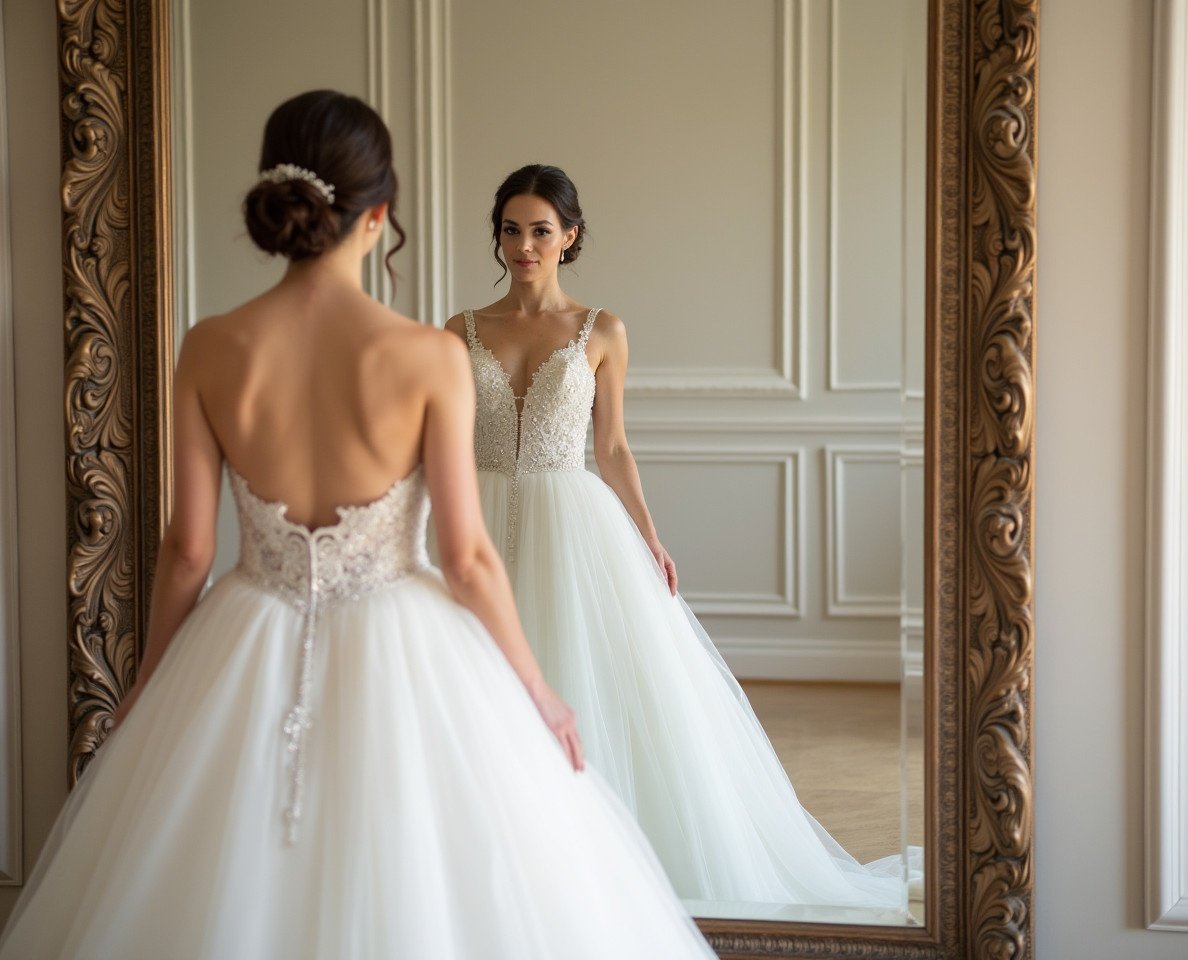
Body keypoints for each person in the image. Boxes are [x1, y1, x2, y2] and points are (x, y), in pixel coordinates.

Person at [0, 94, 715, 960]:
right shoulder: (429, 353)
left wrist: (150, 684)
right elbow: (468, 558)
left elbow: (187, 550)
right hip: (403, 637)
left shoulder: (209, 345)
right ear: (379, 214)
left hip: (245, 629)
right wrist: (536, 692)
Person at [440, 164, 915, 914]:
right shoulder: (460, 330)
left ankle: (592, 859)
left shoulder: (601, 330)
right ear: (495, 235)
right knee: (477, 690)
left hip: (572, 520)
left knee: (581, 678)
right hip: (481, 515)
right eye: (510, 229)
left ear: (570, 236)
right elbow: (440, 439)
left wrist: (650, 538)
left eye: (540, 230)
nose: (523, 245)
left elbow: (614, 447)